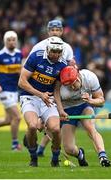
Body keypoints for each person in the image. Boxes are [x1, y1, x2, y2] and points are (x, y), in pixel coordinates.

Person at [18, 36, 82, 167]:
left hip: (48, 100)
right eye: (53, 51)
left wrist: (61, 110)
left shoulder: (62, 64)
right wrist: (40, 94)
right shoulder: (36, 57)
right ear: (48, 49)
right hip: (30, 97)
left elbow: (56, 90)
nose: (56, 54)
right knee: (32, 126)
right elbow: (21, 82)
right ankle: (33, 156)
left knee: (55, 129)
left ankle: (55, 159)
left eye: (59, 52)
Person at [32, 19, 76, 156]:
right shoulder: (39, 46)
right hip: (42, 88)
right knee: (44, 124)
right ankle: (36, 141)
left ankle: (41, 148)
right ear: (48, 31)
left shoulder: (67, 48)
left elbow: (70, 68)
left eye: (58, 30)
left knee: (55, 122)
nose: (55, 32)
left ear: (62, 31)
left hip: (58, 88)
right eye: (52, 30)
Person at [54, 66, 111, 167]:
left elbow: (101, 101)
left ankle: (103, 156)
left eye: (73, 84)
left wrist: (91, 101)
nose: (71, 88)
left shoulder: (90, 77)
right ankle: (80, 154)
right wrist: (60, 112)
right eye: (68, 86)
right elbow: (54, 105)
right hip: (68, 111)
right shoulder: (60, 88)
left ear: (78, 77)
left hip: (84, 106)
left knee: (90, 127)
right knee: (69, 148)